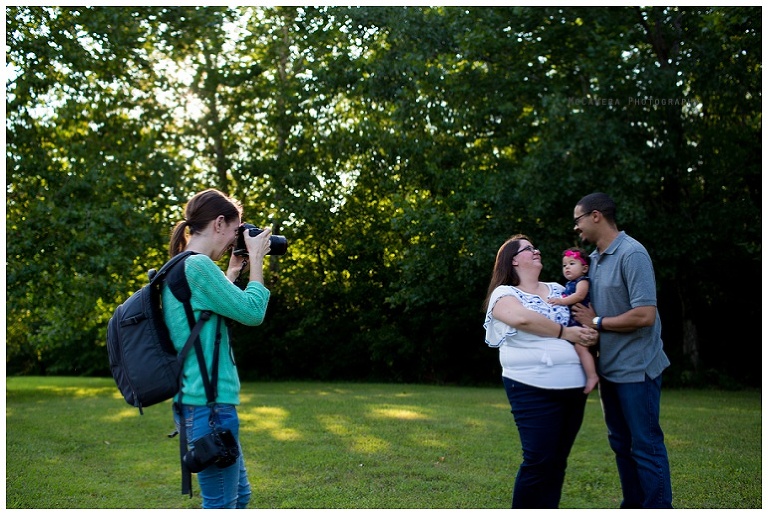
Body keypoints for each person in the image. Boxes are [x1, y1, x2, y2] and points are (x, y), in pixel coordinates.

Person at [164, 188, 274, 509]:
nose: (234, 241)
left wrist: (233, 272)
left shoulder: (183, 265)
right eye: (235, 231)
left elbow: (208, 311)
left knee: (239, 496)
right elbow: (252, 312)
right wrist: (256, 258)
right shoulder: (197, 267)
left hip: (200, 403)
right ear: (219, 223)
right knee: (222, 505)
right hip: (209, 408)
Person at [570, 192, 673, 509]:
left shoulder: (632, 253)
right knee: (620, 445)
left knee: (645, 446)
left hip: (637, 370)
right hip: (609, 371)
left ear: (596, 216)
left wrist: (597, 322)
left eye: (578, 219)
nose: (576, 227)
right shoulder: (594, 261)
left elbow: (645, 315)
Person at [483, 234, 599, 508]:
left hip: (573, 387)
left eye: (535, 247)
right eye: (528, 249)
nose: (536, 251)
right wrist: (565, 333)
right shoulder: (505, 294)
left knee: (557, 462)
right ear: (513, 260)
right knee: (538, 461)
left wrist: (591, 332)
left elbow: (584, 317)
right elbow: (522, 318)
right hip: (531, 386)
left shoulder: (560, 289)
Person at [547, 247, 599, 394]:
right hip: (575, 322)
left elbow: (579, 296)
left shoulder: (582, 281)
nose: (567, 267)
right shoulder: (569, 284)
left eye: (572, 263)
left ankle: (592, 376)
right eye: (564, 265)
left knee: (581, 349)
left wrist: (561, 301)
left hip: (583, 322)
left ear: (584, 268)